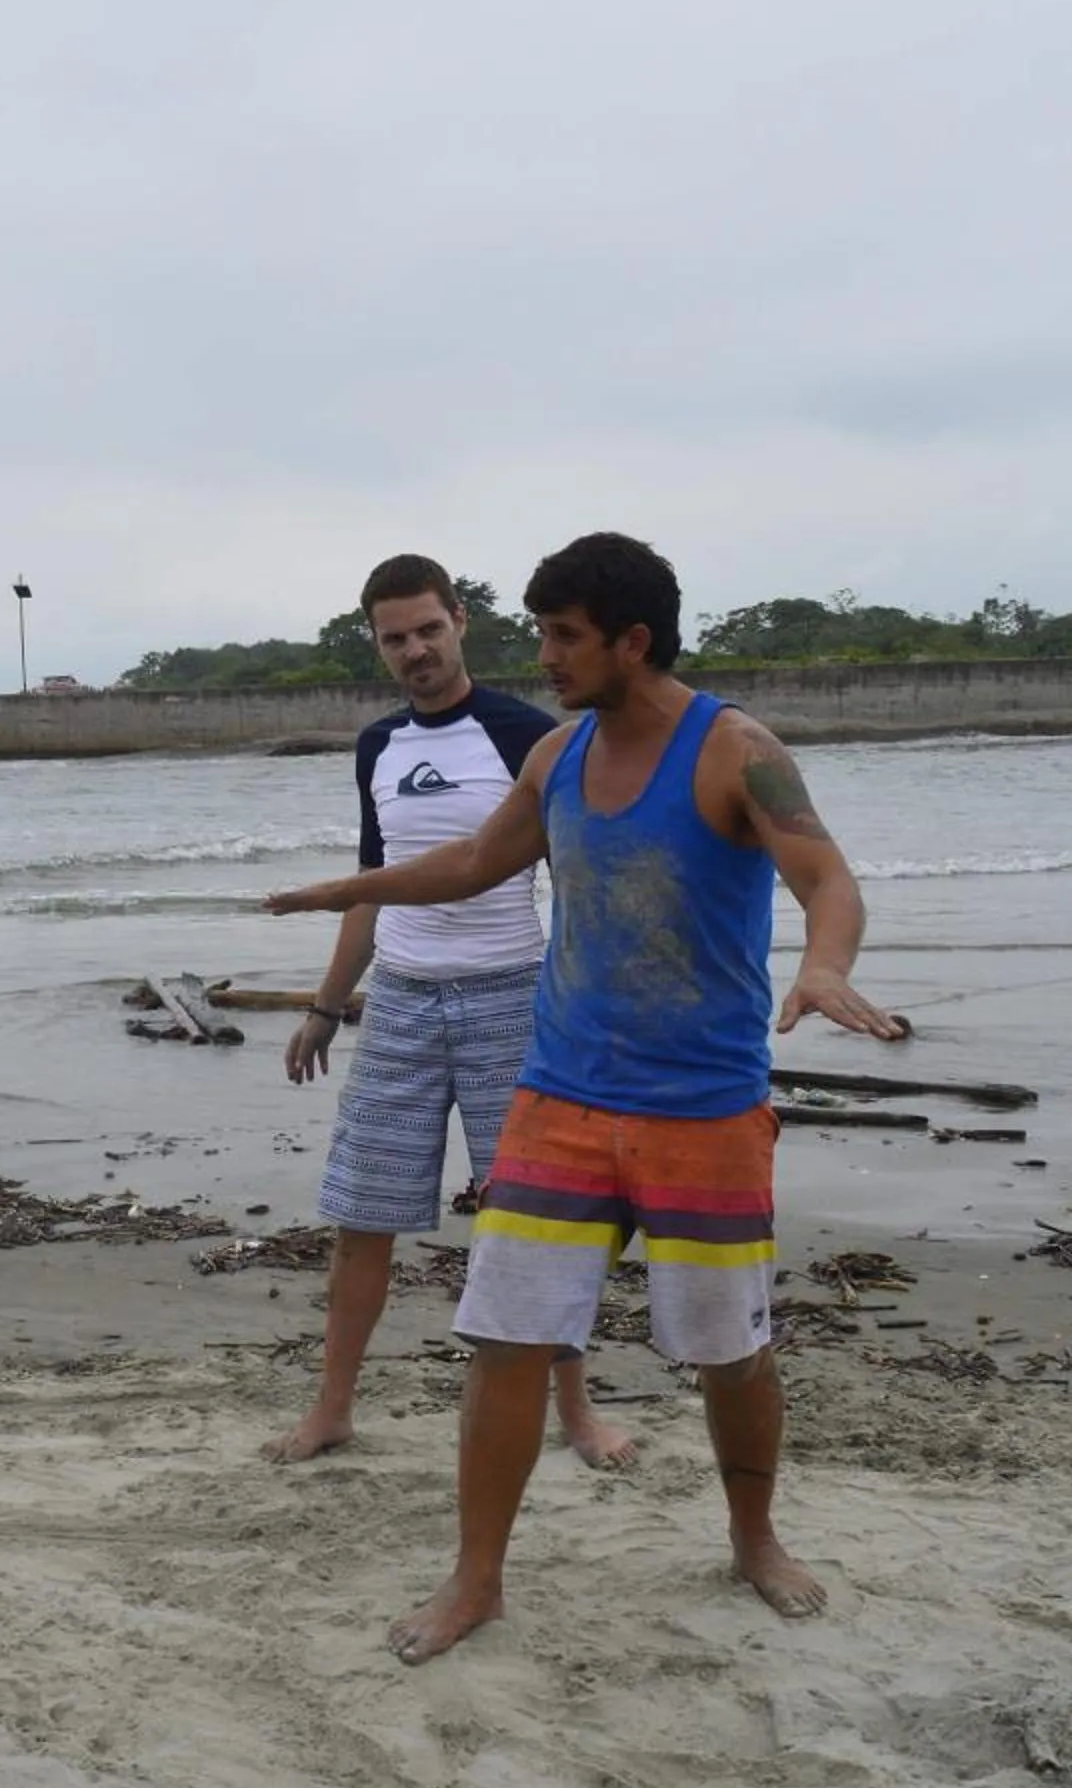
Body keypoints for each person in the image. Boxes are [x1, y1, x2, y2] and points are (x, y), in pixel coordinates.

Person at [268, 532, 904, 1663]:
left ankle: (754, 1536)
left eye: (565, 637)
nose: (545, 656)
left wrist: (826, 964)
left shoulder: (733, 750)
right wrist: (349, 888)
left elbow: (826, 874)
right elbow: (472, 863)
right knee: (505, 1339)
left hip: (704, 1106)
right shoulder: (556, 756)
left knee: (729, 1353)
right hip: (560, 1096)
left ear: (632, 640)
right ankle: (477, 1580)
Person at [266, 554, 632, 1474]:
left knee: (535, 1221)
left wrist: (586, 1009)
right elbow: (374, 887)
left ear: (460, 620)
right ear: (377, 646)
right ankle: (333, 1409)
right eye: (395, 638)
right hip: (401, 1002)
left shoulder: (527, 737)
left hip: (513, 999)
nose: (415, 650)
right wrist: (325, 1005)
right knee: (362, 1216)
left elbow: (573, 881)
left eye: (428, 629)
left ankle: (577, 1412)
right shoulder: (377, 748)